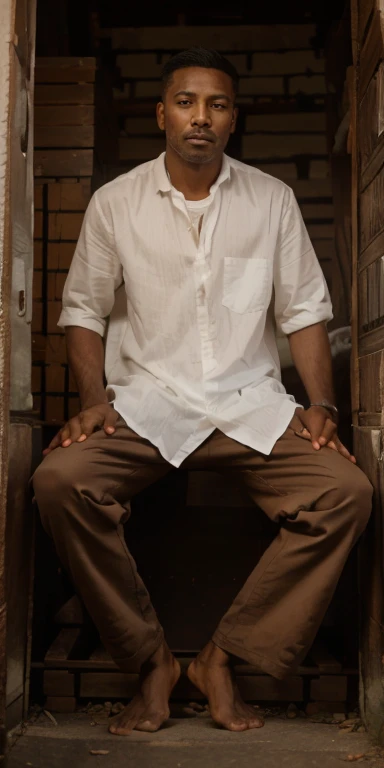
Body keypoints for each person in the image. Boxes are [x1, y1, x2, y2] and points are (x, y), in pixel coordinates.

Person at [33, 47, 372, 736]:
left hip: (250, 406)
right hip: (148, 406)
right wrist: (95, 400)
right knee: (60, 481)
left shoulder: (270, 200)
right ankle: (150, 659)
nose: (200, 117)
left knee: (346, 492)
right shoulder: (116, 203)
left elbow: (304, 311)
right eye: (186, 102)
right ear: (163, 114)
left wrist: (322, 406)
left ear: (233, 120)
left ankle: (224, 656)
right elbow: (83, 312)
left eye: (216, 105)